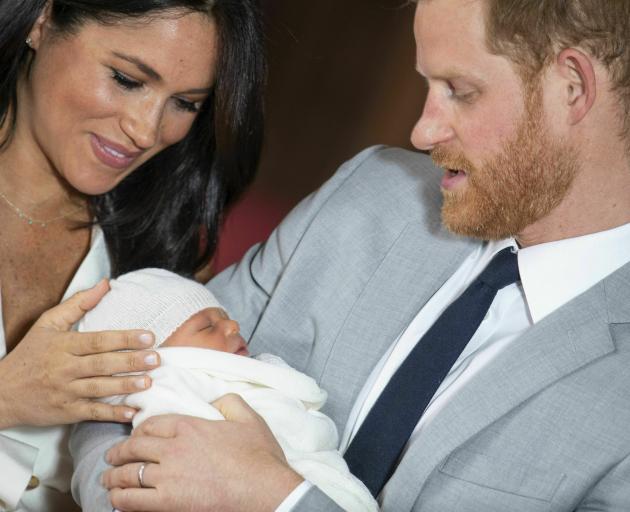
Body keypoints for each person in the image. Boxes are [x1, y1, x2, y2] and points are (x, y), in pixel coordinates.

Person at [72, 0, 630, 510]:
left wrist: (278, 500)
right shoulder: (371, 190)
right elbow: (121, 389)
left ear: (573, 87)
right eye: (427, 86)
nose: (422, 130)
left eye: (460, 89)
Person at [0, 0, 264, 510]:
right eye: (126, 78)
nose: (146, 130)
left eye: (186, 103)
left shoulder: (163, 252)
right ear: (42, 21)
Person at [78, 267, 378, 512]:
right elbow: (179, 450)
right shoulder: (167, 384)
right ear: (151, 357)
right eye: (207, 326)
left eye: (226, 316)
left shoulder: (255, 372)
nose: (233, 325)